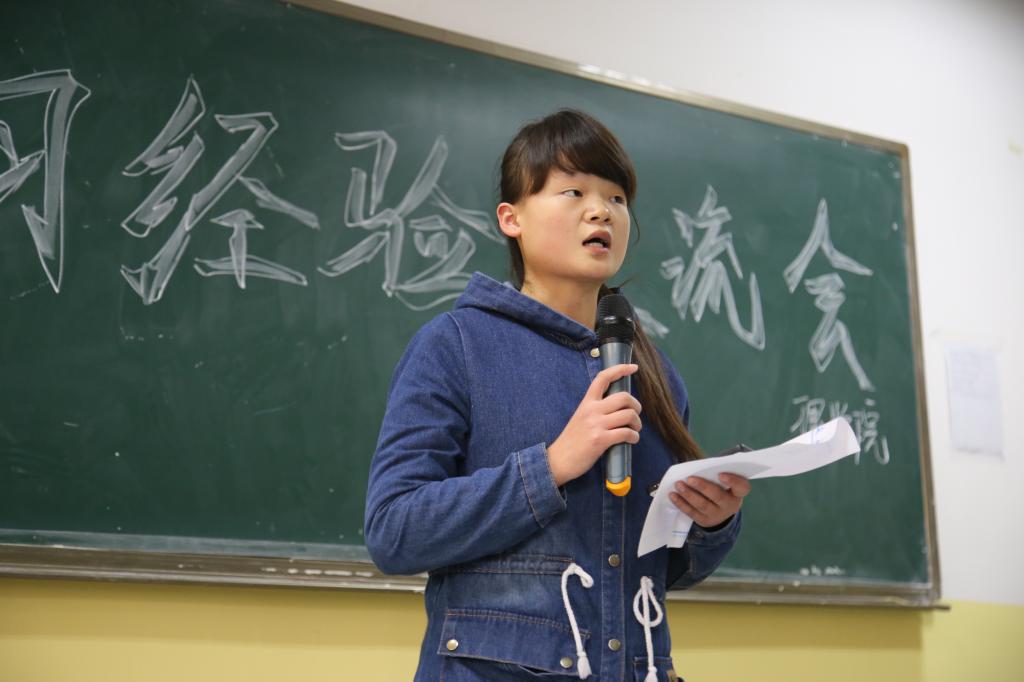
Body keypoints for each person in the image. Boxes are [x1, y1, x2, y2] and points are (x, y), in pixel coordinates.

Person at [364, 109, 752, 681]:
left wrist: (710, 524)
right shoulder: (456, 345)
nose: (601, 211)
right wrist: (550, 467)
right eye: (573, 192)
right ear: (511, 218)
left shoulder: (654, 374)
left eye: (617, 198)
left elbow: (663, 572)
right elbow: (393, 531)